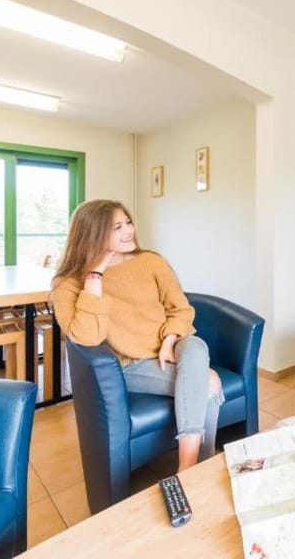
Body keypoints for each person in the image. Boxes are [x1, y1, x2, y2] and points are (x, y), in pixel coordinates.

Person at [50, 199, 222, 473]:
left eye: (128, 222)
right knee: (210, 381)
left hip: (175, 346)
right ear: (93, 233)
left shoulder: (151, 262)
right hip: (132, 364)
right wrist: (95, 276)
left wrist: (169, 341)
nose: (129, 230)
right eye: (117, 227)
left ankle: (189, 469)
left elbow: (181, 309)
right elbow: (87, 337)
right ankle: (197, 465)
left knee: (197, 346)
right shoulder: (69, 285)